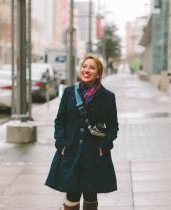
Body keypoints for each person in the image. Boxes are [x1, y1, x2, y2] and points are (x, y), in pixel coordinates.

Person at [45, 54, 119, 210]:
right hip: (71, 151)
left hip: (94, 154)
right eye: (84, 66)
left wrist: (103, 147)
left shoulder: (108, 97)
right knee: (71, 194)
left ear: (98, 73)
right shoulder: (69, 93)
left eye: (92, 68)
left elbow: (113, 126)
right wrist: (61, 144)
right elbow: (60, 121)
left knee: (90, 195)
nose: (87, 70)